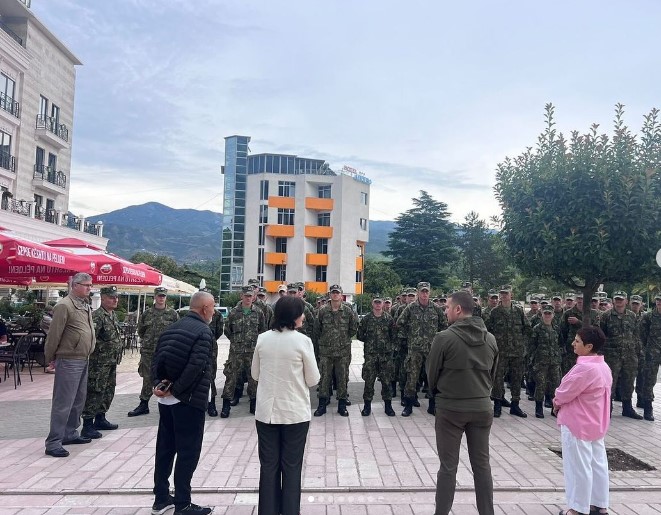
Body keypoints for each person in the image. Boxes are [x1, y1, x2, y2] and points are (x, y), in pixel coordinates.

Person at [426, 290, 498, 515]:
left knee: (448, 467)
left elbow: (431, 375)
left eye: (447, 307)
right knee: (482, 466)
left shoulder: (444, 338)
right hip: (482, 407)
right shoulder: (491, 338)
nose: (445, 311)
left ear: (458, 309)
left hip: (451, 408)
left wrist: (443, 394)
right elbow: (492, 375)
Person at [251, 296, 320, 515]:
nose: (304, 316)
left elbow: (255, 374)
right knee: (291, 467)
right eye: (301, 312)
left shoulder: (262, 339)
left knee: (269, 466)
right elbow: (313, 379)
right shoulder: (303, 341)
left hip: (266, 412)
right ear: (294, 316)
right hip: (294, 413)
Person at [150, 291, 215, 515]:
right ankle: (183, 503)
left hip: (166, 400)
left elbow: (155, 360)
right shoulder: (203, 332)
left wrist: (159, 386)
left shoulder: (170, 328)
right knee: (188, 451)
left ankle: (160, 499)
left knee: (165, 449)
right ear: (205, 308)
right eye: (213, 308)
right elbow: (197, 366)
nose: (214, 312)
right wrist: (177, 390)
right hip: (188, 400)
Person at [553, 326, 612, 515]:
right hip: (596, 423)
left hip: (577, 423)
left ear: (589, 347)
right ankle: (599, 504)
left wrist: (556, 402)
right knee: (598, 464)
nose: (573, 343)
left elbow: (564, 392)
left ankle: (577, 509)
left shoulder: (584, 368)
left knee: (578, 467)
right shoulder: (603, 366)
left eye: (577, 341)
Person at [44, 273, 96, 458]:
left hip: (83, 358)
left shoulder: (84, 305)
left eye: (91, 285)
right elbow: (54, 335)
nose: (89, 288)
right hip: (69, 358)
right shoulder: (64, 306)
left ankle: (70, 433)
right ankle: (53, 441)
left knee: (78, 400)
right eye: (86, 285)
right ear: (74, 285)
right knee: (63, 402)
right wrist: (50, 357)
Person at [397, 281, 447, 417]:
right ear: (418, 292)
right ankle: (408, 405)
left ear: (429, 292)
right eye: (422, 291)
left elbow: (444, 325)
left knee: (432, 378)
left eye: (426, 291)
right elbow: (400, 323)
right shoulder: (411, 308)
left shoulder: (436, 308)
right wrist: (409, 337)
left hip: (432, 350)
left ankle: (432, 405)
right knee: (412, 378)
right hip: (415, 349)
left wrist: (438, 340)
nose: (424, 294)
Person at [128, 287, 179, 417]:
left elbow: (178, 331)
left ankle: (168, 404)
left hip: (166, 351)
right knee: (147, 377)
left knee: (167, 377)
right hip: (149, 351)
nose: (161, 298)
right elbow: (141, 331)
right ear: (154, 297)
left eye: (163, 296)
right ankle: (143, 404)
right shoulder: (147, 314)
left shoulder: (173, 314)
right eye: (159, 296)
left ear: (166, 297)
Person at [81, 286, 124, 439]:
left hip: (111, 361)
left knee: (108, 390)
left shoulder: (112, 315)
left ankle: (101, 418)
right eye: (112, 297)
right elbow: (90, 339)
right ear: (103, 298)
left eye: (116, 297)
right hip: (99, 363)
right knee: (95, 391)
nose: (115, 299)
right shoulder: (97, 316)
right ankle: (87, 425)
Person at [220, 285, 266, 418]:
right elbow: (227, 331)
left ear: (254, 297)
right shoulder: (234, 313)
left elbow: (262, 331)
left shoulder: (258, 312)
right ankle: (226, 406)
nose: (248, 298)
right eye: (246, 296)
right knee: (231, 378)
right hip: (236, 352)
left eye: (250, 296)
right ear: (241, 296)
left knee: (253, 379)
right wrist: (237, 342)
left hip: (252, 352)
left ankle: (253, 404)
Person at [485, 285, 531, 418]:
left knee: (517, 378)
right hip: (501, 352)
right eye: (502, 294)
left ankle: (515, 405)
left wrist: (524, 346)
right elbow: (487, 330)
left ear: (512, 295)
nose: (504, 296)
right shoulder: (495, 312)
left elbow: (527, 329)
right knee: (498, 379)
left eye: (506, 293)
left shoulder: (518, 311)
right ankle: (497, 405)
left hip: (517, 352)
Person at [313, 284, 358, 417]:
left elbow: (353, 328)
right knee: (324, 378)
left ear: (341, 295)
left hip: (343, 351)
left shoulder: (348, 311)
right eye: (333, 293)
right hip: (326, 352)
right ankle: (322, 405)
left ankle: (342, 405)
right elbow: (317, 330)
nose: (335, 295)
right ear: (329, 295)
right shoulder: (322, 311)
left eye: (337, 293)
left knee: (342, 378)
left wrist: (343, 340)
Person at [600, 291, 642, 419]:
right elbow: (601, 335)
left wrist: (638, 352)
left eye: (621, 299)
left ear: (626, 301)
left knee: (628, 382)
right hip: (612, 355)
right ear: (613, 301)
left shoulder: (632, 316)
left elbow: (636, 335)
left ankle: (627, 408)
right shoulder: (606, 316)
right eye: (616, 299)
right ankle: (608, 409)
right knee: (610, 382)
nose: (619, 301)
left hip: (629, 355)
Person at [357, 294, 396, 417]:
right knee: (369, 381)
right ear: (372, 304)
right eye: (376, 302)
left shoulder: (389, 319)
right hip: (371, 356)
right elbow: (360, 335)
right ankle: (367, 406)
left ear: (383, 304)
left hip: (385, 356)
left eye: (380, 302)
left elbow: (393, 335)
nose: (378, 304)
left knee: (386, 381)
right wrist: (371, 343)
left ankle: (388, 406)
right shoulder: (367, 319)